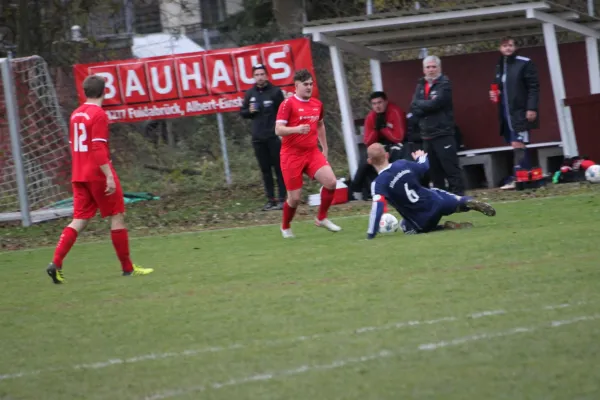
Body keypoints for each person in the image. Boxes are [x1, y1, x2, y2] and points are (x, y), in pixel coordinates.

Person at [46, 75, 153, 284]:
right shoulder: (99, 115)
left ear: (84, 92)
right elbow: (97, 148)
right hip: (96, 173)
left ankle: (56, 263)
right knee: (117, 215)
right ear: (105, 92)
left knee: (79, 219)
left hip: (79, 173)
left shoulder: (76, 114)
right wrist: (109, 176)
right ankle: (128, 268)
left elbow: (76, 145)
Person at [365, 143, 495, 239]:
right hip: (436, 202)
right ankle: (466, 202)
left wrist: (371, 234)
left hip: (422, 220)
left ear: (370, 161)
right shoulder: (402, 164)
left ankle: (443, 228)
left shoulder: (378, 183)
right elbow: (423, 167)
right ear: (387, 155)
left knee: (405, 226)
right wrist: (421, 157)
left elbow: (379, 207)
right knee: (442, 194)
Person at [275, 69, 342, 238]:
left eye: (311, 84)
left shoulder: (317, 104)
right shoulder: (287, 104)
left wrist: (324, 148)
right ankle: (285, 226)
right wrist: (296, 129)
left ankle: (321, 218)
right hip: (291, 155)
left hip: (311, 152)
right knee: (295, 199)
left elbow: (320, 125)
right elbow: (278, 130)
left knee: (331, 182)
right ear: (296, 86)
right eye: (305, 84)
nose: (309, 87)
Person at [490, 36, 540, 190]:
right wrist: (493, 94)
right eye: (504, 45)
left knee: (520, 143)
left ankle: (521, 178)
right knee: (514, 143)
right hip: (506, 112)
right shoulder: (500, 65)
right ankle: (523, 176)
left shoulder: (524, 63)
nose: (507, 48)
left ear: (515, 47)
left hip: (520, 111)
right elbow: (498, 86)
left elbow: (534, 87)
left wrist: (531, 108)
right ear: (500, 48)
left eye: (510, 45)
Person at [410, 55, 465, 195]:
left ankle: (459, 199)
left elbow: (437, 103)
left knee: (451, 169)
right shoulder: (420, 85)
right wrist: (426, 106)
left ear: (439, 68)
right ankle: (440, 201)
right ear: (423, 70)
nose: (431, 70)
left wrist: (422, 105)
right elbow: (413, 106)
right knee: (435, 172)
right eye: (428, 67)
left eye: (434, 66)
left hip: (443, 133)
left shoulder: (445, 84)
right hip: (427, 136)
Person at [240, 64, 287, 210]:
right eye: (257, 75)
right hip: (258, 138)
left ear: (266, 75)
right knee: (265, 170)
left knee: (279, 168)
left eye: (262, 74)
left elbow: (284, 112)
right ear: (253, 77)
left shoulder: (275, 92)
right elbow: (242, 112)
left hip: (273, 137)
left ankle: (282, 199)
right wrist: (249, 111)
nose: (259, 77)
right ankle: (270, 200)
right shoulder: (250, 93)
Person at [351, 91, 407, 200]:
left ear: (385, 102)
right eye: (374, 104)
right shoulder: (371, 117)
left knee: (393, 157)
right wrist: (376, 130)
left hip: (396, 145)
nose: (377, 106)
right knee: (366, 159)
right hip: (379, 145)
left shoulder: (394, 111)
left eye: (379, 102)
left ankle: (392, 190)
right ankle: (355, 189)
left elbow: (399, 137)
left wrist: (384, 129)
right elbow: (367, 141)